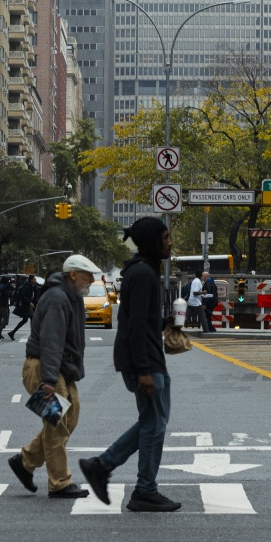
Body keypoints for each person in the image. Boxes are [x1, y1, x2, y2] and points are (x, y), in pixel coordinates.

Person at [80, 218, 180, 513]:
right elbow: (134, 326)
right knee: (154, 426)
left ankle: (103, 466)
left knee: (154, 423)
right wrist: (144, 370)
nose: (170, 242)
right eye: (166, 237)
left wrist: (164, 322)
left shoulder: (142, 272)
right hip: (146, 362)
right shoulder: (142, 274)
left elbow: (141, 321)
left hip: (150, 358)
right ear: (153, 240)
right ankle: (143, 489)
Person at [10, 255, 96, 499]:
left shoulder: (73, 297)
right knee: (56, 425)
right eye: (86, 275)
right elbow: (51, 341)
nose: (91, 279)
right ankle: (59, 482)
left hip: (60, 369)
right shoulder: (58, 298)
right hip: (45, 368)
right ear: (72, 275)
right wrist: (48, 380)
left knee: (69, 417)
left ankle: (25, 462)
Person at [7, 273, 37, 341]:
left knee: (25, 320)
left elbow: (34, 296)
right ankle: (33, 335)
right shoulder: (27, 286)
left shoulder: (32, 286)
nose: (35, 280)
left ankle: (12, 332)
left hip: (27, 305)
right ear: (31, 280)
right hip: (25, 306)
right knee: (32, 318)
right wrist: (29, 303)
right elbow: (23, 296)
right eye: (34, 279)